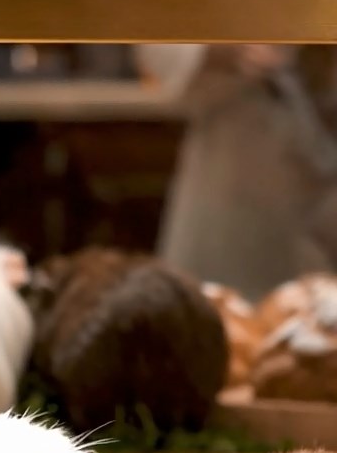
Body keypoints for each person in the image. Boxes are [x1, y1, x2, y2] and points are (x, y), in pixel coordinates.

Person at [141, 44, 337, 302]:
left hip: (322, 165)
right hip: (236, 164)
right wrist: (226, 49)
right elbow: (157, 46)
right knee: (220, 314)